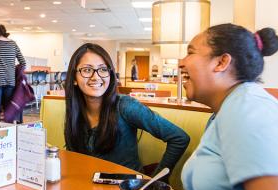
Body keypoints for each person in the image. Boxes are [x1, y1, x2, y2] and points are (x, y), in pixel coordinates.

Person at [180, 23, 278, 190]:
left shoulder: (250, 109)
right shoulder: (227, 109)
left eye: (190, 52)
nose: (181, 62)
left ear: (221, 62)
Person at [63, 43, 190, 178]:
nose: (96, 77)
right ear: (74, 78)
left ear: (110, 75)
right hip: (86, 187)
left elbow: (179, 137)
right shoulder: (75, 110)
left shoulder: (125, 106)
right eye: (87, 70)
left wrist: (157, 180)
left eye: (103, 70)